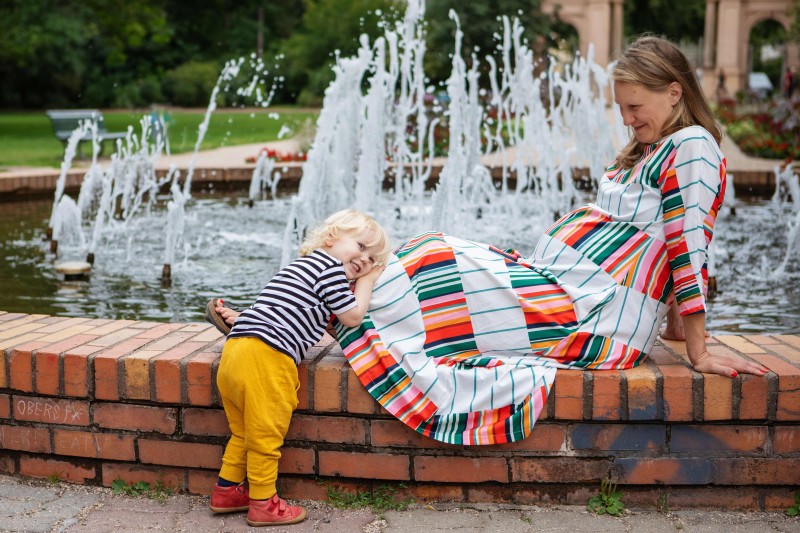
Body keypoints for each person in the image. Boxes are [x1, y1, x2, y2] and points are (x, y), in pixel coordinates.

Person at [208, 35, 768, 448]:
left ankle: (278, 324)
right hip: (563, 291)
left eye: (635, 107)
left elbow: (688, 244)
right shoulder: (656, 148)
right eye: (621, 108)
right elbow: (666, 242)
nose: (626, 120)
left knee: (433, 258)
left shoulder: (693, 146)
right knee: (428, 255)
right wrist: (673, 326)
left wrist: (696, 348)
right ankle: (279, 323)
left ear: (674, 92)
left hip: (589, 316)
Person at [207, 208, 390, 527]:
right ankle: (263, 503)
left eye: (372, 258)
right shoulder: (331, 270)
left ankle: (227, 491)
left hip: (236, 352)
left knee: (244, 432)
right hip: (268, 358)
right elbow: (352, 316)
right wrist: (368, 281)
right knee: (265, 437)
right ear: (331, 237)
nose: (364, 260)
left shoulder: (301, 266)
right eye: (361, 247)